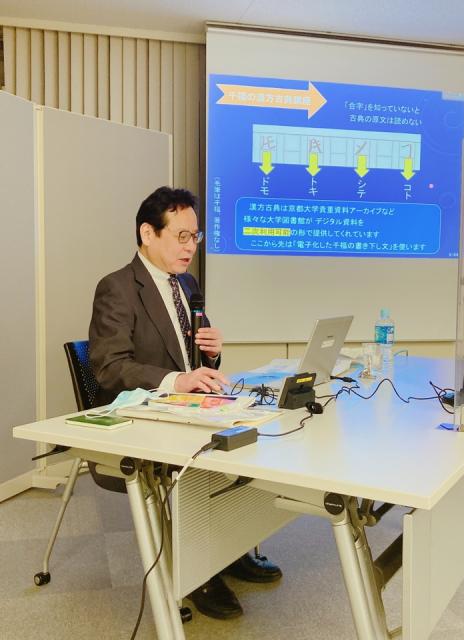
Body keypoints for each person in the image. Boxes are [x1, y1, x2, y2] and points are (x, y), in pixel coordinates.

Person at [89, 186, 281, 619]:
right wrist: (178, 380)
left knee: (246, 441)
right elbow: (110, 368)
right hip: (139, 419)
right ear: (148, 234)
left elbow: (193, 361)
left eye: (195, 237)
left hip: (184, 410)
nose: (191, 247)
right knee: (198, 465)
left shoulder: (187, 284)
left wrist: (211, 353)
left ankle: (230, 551)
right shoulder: (117, 288)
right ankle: (198, 574)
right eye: (181, 236)